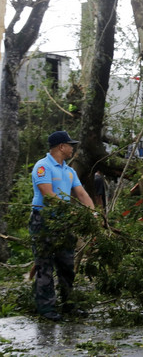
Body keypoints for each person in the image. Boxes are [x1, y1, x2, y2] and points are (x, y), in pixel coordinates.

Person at [30, 131, 96, 321]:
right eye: (70, 145)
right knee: (44, 265)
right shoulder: (42, 167)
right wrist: (69, 211)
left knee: (67, 264)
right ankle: (46, 308)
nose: (72, 148)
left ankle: (69, 304)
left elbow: (81, 194)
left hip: (63, 222)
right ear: (61, 147)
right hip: (43, 220)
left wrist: (93, 214)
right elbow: (48, 194)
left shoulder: (69, 170)